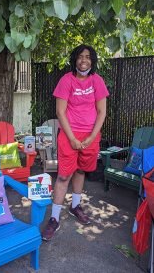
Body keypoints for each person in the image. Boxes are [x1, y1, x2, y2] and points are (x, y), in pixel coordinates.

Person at [42, 44, 109, 241]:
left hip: (90, 137)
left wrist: (91, 137)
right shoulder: (66, 80)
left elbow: (102, 112)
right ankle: (54, 218)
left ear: (92, 60)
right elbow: (60, 112)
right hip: (69, 136)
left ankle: (75, 206)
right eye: (80, 57)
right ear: (75, 59)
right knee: (63, 176)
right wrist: (72, 138)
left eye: (88, 57)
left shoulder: (97, 81)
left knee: (81, 171)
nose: (84, 60)